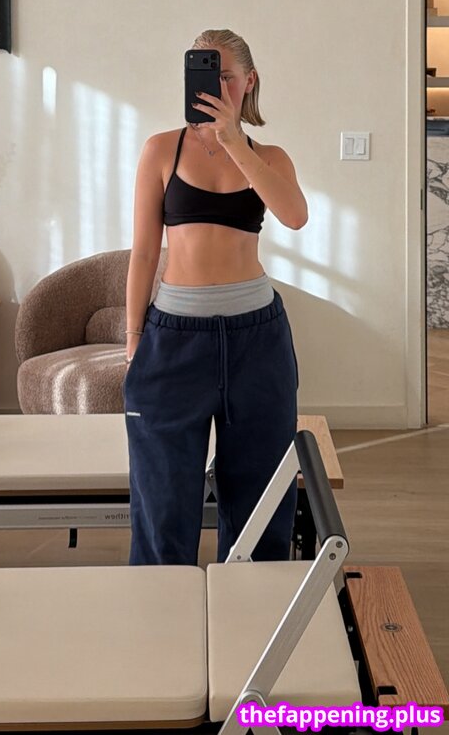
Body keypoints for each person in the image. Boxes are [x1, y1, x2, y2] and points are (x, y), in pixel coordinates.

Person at [123, 28, 308, 566]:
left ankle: (255, 609)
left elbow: (295, 216)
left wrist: (233, 142)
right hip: (173, 339)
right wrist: (133, 341)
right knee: (162, 503)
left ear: (249, 82)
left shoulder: (270, 157)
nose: (214, 86)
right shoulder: (162, 150)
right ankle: (162, 612)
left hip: (258, 339)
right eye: (203, 74)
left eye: (226, 76)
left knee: (261, 504)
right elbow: (144, 254)